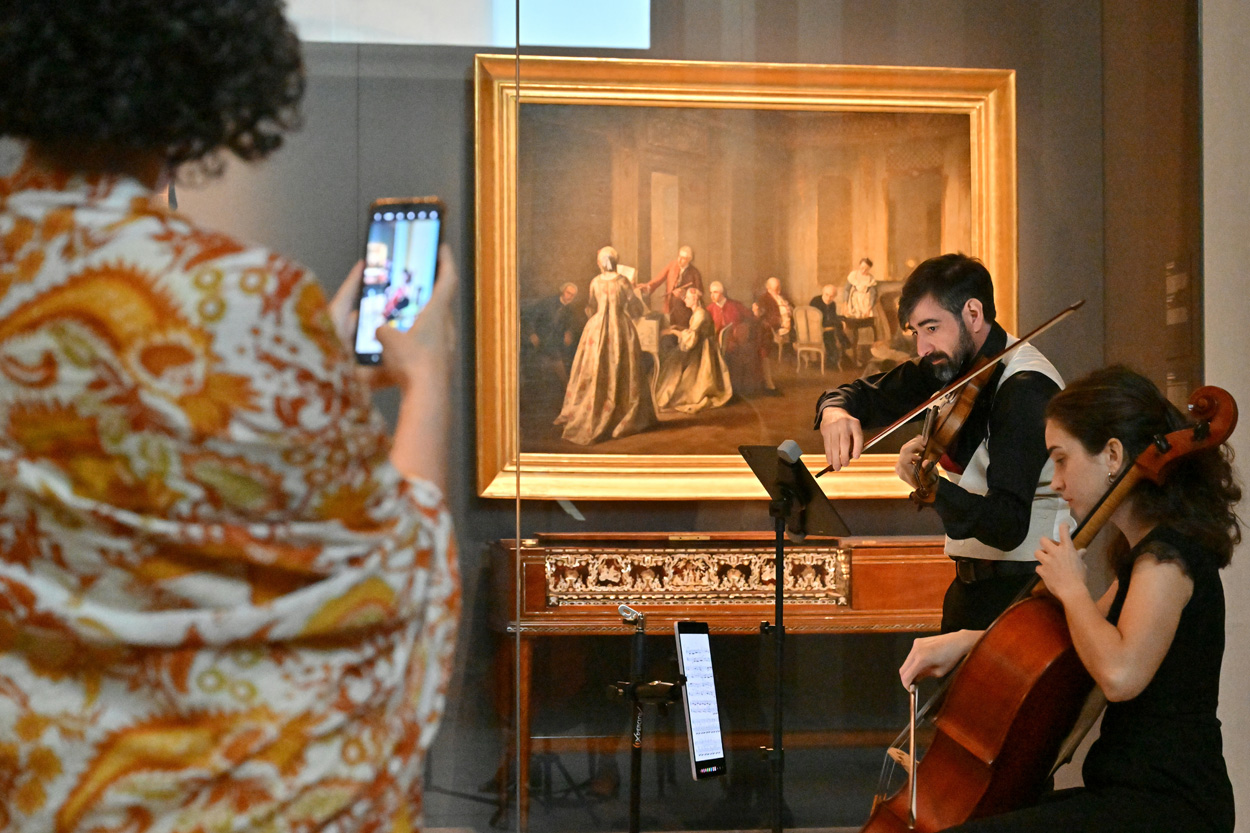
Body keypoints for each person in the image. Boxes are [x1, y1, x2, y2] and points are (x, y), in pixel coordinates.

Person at [0, 4, 458, 831]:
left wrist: (297, 363)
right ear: (208, 80)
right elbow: (392, 579)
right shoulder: (246, 298)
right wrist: (426, 380)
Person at [900, 366, 1240, 833]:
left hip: (1168, 807)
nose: (1055, 481)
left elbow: (1120, 675)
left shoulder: (1167, 558)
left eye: (1060, 459)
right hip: (1129, 796)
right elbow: (1075, 647)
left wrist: (1072, 587)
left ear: (1113, 455)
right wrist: (969, 641)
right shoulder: (1145, 554)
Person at [815, 253, 1067, 633]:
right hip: (973, 590)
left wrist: (932, 488)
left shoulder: (1024, 388)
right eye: (917, 332)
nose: (922, 348)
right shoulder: (948, 367)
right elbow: (862, 395)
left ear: (973, 313)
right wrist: (835, 412)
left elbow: (1007, 524)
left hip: (1024, 597)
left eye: (931, 328)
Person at [555, 246, 657, 444]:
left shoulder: (595, 282)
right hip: (620, 328)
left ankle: (596, 410)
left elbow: (591, 307)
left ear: (601, 263)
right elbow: (635, 310)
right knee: (621, 366)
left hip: (597, 328)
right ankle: (620, 414)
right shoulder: (623, 282)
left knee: (596, 366)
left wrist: (597, 313)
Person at [654, 287, 733, 414]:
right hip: (700, 346)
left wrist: (671, 331)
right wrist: (678, 327)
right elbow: (694, 331)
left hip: (703, 352)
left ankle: (665, 397)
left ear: (695, 300)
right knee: (672, 360)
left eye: (688, 298)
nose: (685, 300)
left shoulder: (701, 314)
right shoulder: (698, 312)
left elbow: (691, 338)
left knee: (674, 364)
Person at [708, 281, 765, 396]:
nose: (712, 296)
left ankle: (743, 388)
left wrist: (755, 314)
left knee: (747, 352)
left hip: (738, 341)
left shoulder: (735, 305)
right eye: (711, 293)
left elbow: (751, 318)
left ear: (722, 293)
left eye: (715, 292)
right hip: (719, 343)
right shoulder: (709, 309)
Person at [522, 281, 586, 382]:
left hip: (556, 339)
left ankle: (569, 383)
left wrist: (568, 333)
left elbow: (569, 325)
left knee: (571, 352)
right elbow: (531, 317)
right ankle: (566, 384)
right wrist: (532, 333)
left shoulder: (569, 309)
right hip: (541, 336)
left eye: (573, 295)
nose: (570, 297)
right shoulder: (548, 302)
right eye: (568, 293)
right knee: (554, 357)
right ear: (562, 292)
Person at [641, 244, 703, 317]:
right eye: (679, 256)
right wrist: (648, 287)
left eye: (683, 258)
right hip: (669, 307)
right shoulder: (672, 265)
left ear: (689, 259)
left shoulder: (694, 272)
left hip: (685, 311)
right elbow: (658, 279)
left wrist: (685, 293)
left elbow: (700, 292)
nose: (679, 260)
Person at [839, 257, 879, 365]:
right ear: (859, 266)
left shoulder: (870, 279)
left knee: (869, 324)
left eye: (866, 268)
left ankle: (871, 355)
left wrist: (869, 307)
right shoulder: (853, 275)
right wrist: (845, 303)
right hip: (854, 301)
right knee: (852, 325)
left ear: (869, 269)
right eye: (861, 267)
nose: (863, 270)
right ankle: (852, 356)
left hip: (865, 301)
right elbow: (847, 290)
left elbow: (874, 294)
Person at [811, 282, 851, 369]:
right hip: (817, 327)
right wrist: (839, 322)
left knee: (841, 322)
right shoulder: (816, 301)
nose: (829, 298)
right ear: (823, 292)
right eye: (827, 295)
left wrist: (842, 319)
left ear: (835, 296)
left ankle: (841, 350)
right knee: (837, 326)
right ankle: (844, 344)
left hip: (827, 327)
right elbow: (816, 319)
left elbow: (833, 316)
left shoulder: (832, 304)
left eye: (832, 296)